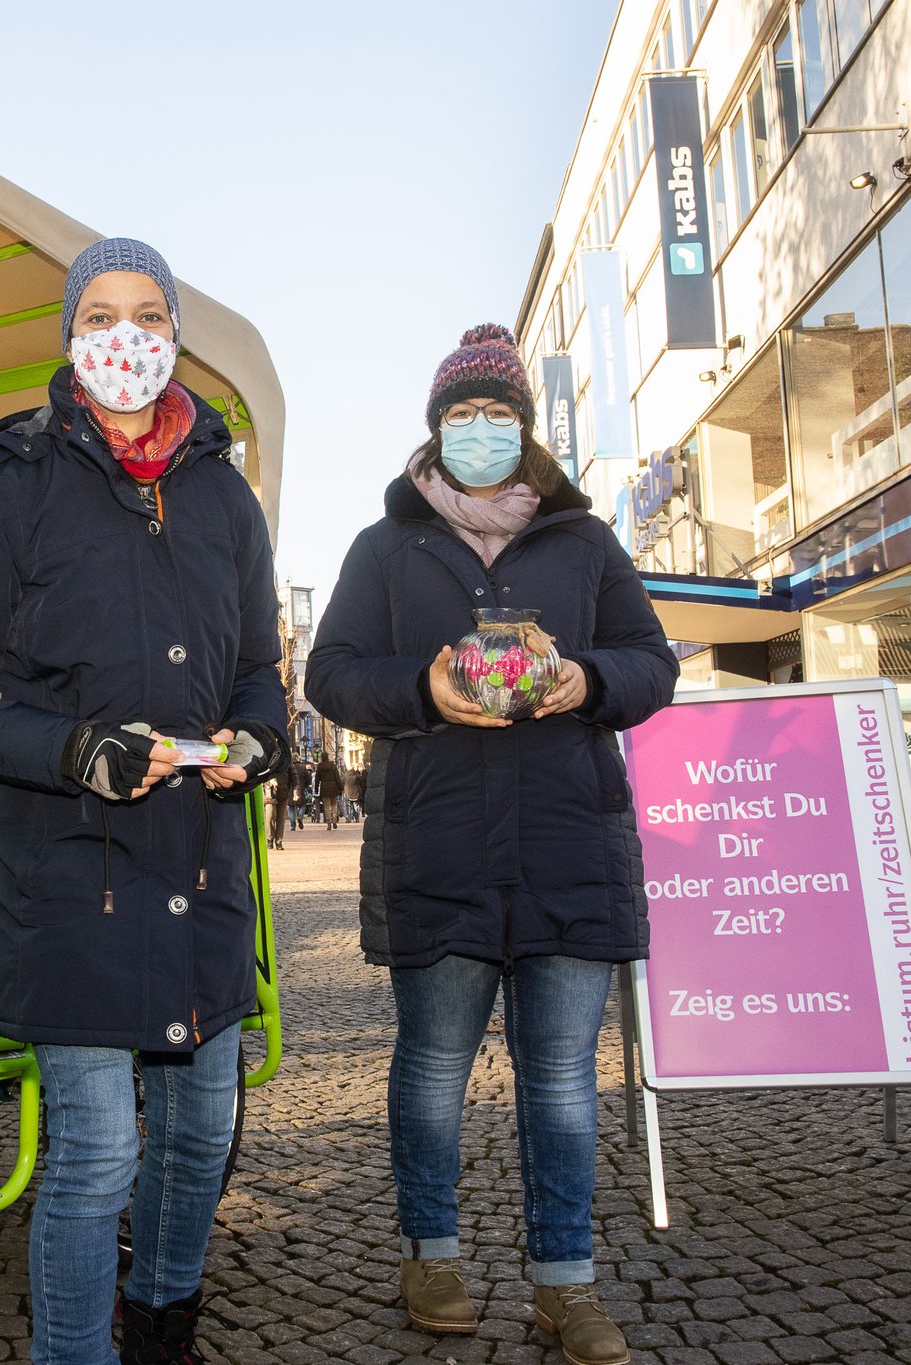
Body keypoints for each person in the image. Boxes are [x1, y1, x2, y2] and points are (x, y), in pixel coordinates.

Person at [0, 238, 287, 1365]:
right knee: (93, 1154)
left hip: (200, 863)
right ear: (71, 335)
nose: (129, 334)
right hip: (67, 867)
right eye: (103, 312)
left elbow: (258, 667)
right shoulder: (7, 488)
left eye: (150, 313)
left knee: (200, 1131)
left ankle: (163, 1321)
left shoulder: (224, 494)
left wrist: (257, 739)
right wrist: (75, 750)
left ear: (176, 336)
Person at [303, 323, 675, 1365]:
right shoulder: (385, 547)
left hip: (566, 842)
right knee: (430, 1068)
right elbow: (328, 675)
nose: (477, 430)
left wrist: (586, 681)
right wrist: (419, 689)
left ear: (525, 424)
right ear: (433, 430)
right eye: (458, 415)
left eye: (494, 413)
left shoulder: (584, 541)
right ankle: (430, 1255)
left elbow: (652, 665)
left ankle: (565, 1285)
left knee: (558, 1080)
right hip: (437, 844)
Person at [316, 751, 343, 830]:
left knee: (327, 806)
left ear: (321, 757)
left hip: (324, 788)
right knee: (334, 804)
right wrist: (341, 787)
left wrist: (316, 789)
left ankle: (329, 822)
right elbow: (337, 777)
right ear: (328, 757)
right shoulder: (333, 765)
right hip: (333, 787)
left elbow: (317, 779)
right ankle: (334, 818)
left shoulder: (320, 766)